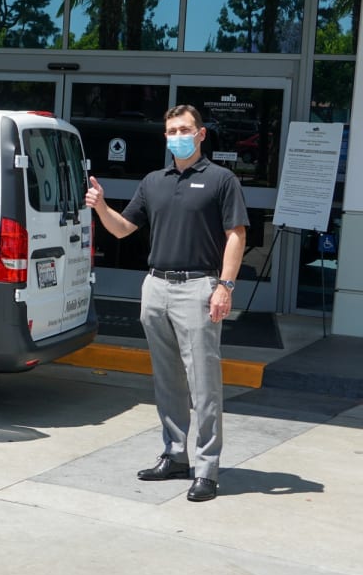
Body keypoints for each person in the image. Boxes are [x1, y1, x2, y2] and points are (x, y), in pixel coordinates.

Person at [85, 104, 247, 502]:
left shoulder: (221, 180)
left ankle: (207, 468)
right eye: (172, 129)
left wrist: (224, 286)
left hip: (198, 288)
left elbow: (236, 235)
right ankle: (175, 455)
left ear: (201, 134)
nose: (178, 135)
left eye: (185, 128)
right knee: (167, 380)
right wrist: (101, 206)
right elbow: (123, 230)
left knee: (204, 384)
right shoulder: (154, 181)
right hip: (156, 287)